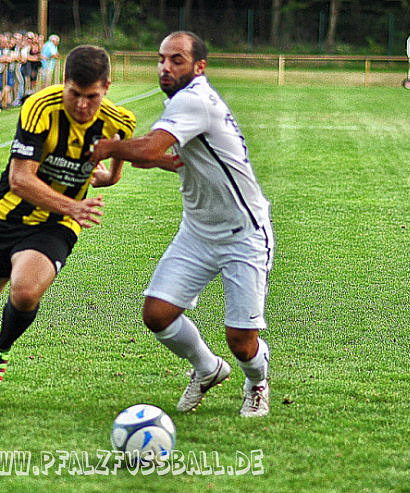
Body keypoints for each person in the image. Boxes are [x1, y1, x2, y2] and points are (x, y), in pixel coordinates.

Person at [0, 45, 136, 406]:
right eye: (74, 94)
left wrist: (104, 169)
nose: (82, 106)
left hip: (56, 223)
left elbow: (108, 177)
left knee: (26, 292)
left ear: (106, 86)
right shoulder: (40, 107)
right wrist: (73, 204)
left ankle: (0, 351)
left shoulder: (119, 121)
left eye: (92, 97)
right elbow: (19, 179)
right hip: (4, 216)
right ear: (64, 82)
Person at [89, 31, 274, 418]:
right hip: (197, 231)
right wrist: (121, 168)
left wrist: (106, 148)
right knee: (157, 313)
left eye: (177, 60)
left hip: (243, 233)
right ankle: (207, 369)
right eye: (161, 59)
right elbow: (157, 155)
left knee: (242, 341)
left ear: (199, 67)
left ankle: (257, 382)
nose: (166, 67)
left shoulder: (194, 100)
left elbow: (149, 148)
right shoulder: (181, 102)